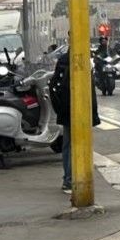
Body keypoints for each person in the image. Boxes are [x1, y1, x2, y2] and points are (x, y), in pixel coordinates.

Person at [49, 46, 100, 195]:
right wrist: (93, 113)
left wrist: (60, 108)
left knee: (69, 144)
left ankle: (69, 179)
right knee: (76, 143)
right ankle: (73, 179)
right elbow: (90, 89)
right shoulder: (83, 59)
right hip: (79, 108)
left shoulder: (64, 59)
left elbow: (54, 86)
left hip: (67, 109)